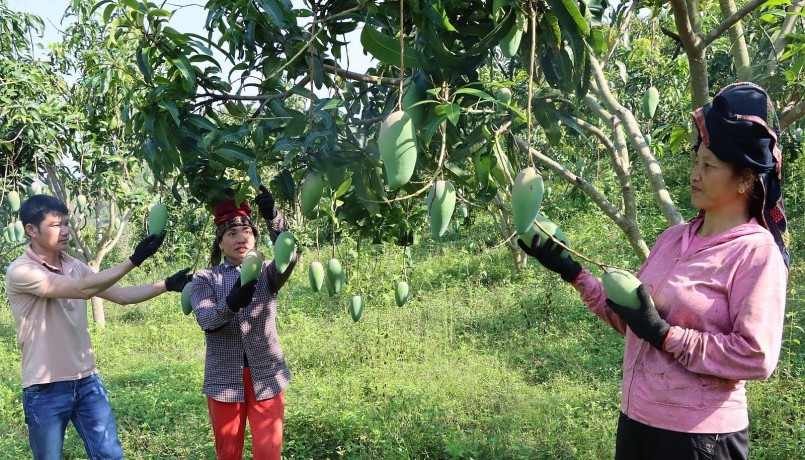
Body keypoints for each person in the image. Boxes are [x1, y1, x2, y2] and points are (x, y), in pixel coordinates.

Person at [518, 82, 789, 459]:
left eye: (709, 165)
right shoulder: (674, 238)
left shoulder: (755, 252)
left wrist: (665, 335)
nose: (695, 173)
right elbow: (633, 319)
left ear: (745, 178)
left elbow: (756, 356)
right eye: (696, 159)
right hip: (638, 421)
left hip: (699, 439)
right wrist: (572, 271)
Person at [5, 194, 193, 460]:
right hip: (45, 387)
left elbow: (121, 296)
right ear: (31, 230)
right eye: (56, 225)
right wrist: (134, 259)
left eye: (66, 223)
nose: (65, 231)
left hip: (86, 381)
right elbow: (81, 290)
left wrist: (166, 285)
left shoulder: (73, 265)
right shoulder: (21, 271)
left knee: (110, 456)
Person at [189, 185, 297, 460]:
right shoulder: (204, 279)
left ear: (255, 239)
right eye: (232, 233)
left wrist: (274, 218)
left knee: (268, 452)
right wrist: (231, 303)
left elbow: (290, 255)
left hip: (267, 374)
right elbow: (206, 318)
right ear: (220, 243)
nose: (241, 238)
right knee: (228, 453)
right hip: (224, 378)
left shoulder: (267, 273)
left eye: (247, 232)